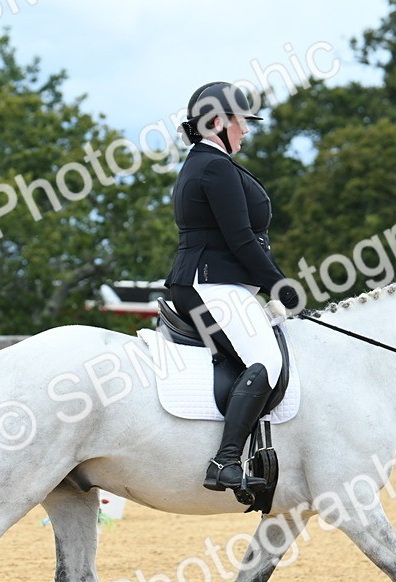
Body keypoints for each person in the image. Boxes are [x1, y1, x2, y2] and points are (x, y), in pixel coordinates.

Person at [164, 81, 302, 497]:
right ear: (218, 123)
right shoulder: (214, 167)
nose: (246, 129)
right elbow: (241, 237)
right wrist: (279, 285)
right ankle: (225, 461)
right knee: (265, 361)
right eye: (241, 121)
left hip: (213, 282)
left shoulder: (206, 163)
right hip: (209, 284)